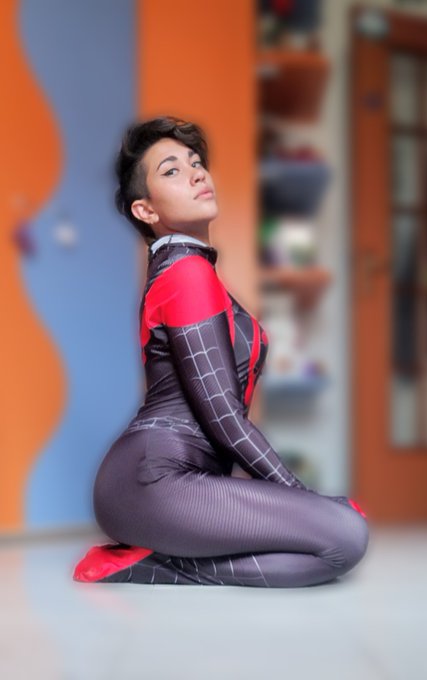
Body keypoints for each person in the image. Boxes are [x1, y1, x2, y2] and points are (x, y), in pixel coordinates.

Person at [73, 115, 369, 587]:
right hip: (154, 479)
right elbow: (224, 418)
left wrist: (307, 505)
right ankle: (157, 565)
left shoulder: (193, 271)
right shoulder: (185, 273)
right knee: (345, 536)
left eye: (196, 163)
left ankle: (160, 558)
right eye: (172, 170)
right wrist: (305, 498)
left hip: (171, 480)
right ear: (145, 210)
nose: (196, 174)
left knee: (338, 535)